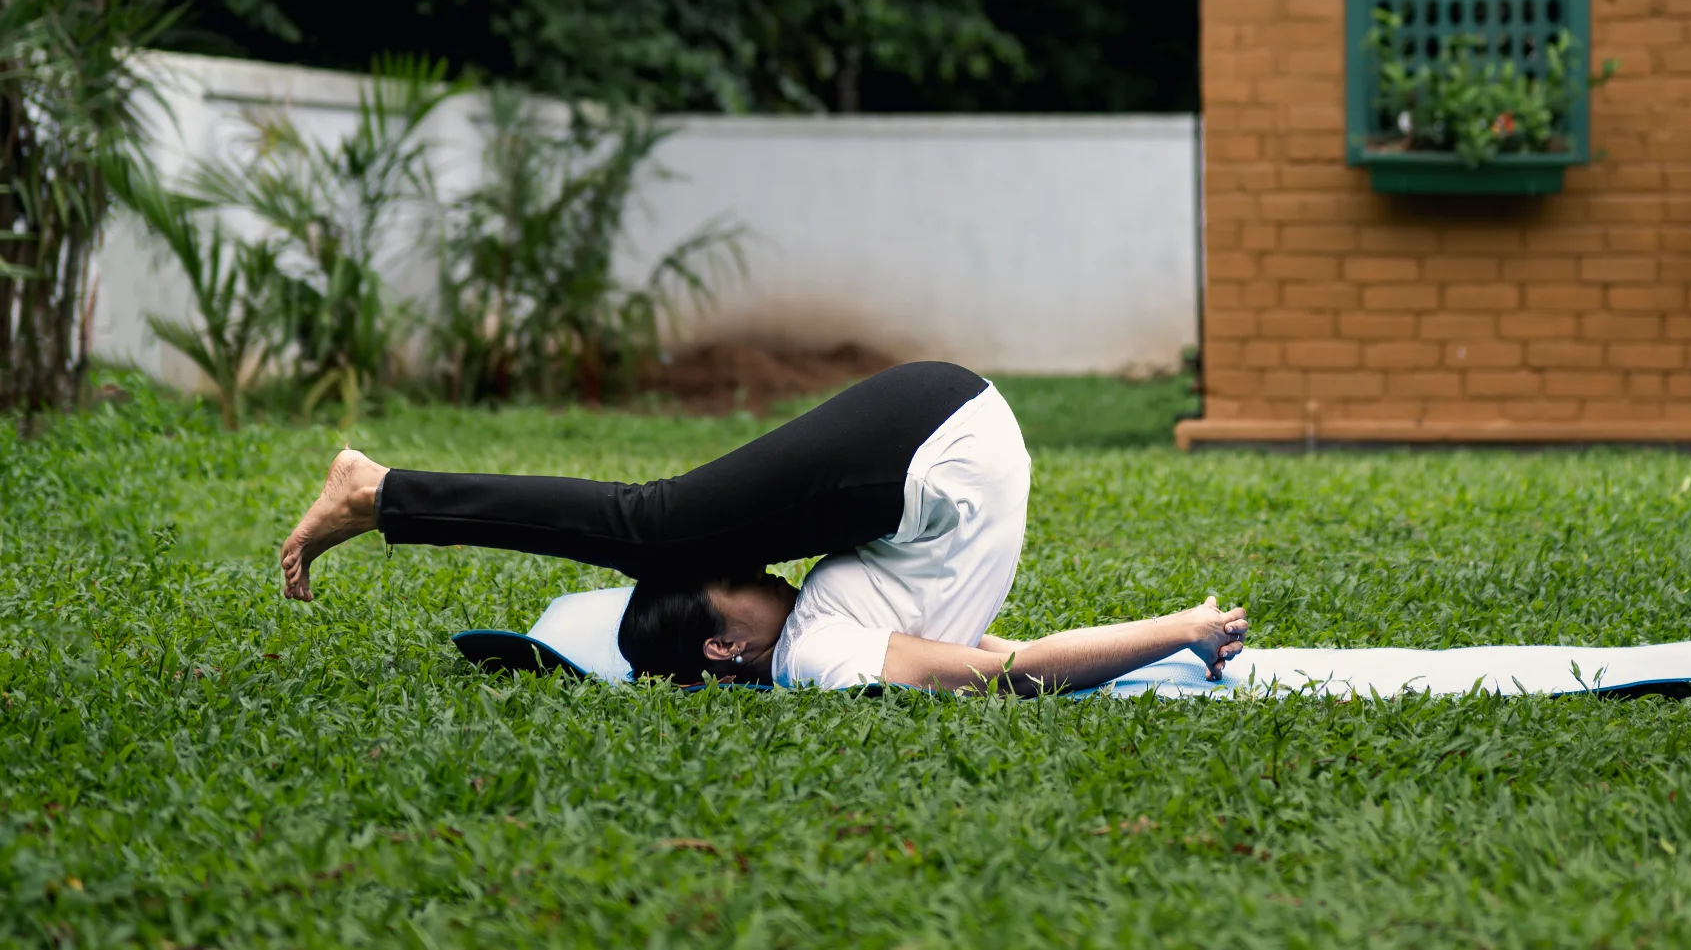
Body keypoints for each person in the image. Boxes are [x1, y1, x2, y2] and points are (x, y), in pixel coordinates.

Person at [277, 361, 1247, 692]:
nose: (743, 561)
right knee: (654, 530)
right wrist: (1177, 629)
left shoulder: (822, 646)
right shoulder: (825, 650)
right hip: (938, 445)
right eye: (725, 576)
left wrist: (1182, 631)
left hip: (936, 446)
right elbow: (1013, 665)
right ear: (720, 639)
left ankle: (379, 491)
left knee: (654, 529)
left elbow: (1010, 668)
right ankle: (376, 491)